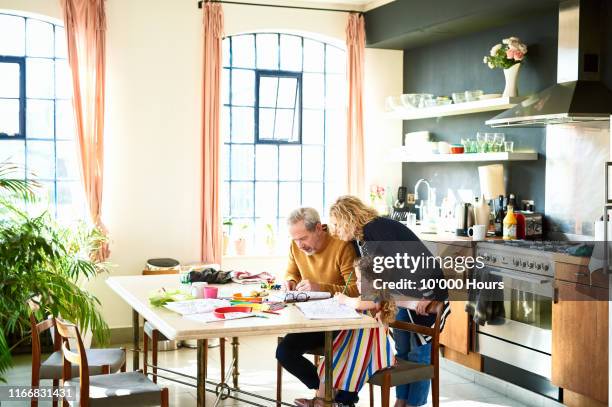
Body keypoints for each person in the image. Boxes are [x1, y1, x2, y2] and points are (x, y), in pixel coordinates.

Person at [329, 195, 450, 407]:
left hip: (427, 292)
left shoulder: (377, 230)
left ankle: (414, 404)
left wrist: (428, 295)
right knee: (402, 352)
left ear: (348, 218)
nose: (336, 231)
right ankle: (401, 401)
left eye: (337, 225)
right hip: (406, 297)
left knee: (419, 355)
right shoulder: (360, 240)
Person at [275, 207, 359, 405]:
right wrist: (290, 282)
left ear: (319, 229)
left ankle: (327, 399)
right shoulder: (295, 246)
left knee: (338, 355)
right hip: (312, 317)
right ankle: (333, 397)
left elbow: (356, 290)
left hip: (342, 319)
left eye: (303, 238)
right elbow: (291, 272)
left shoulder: (342, 245)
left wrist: (321, 287)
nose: (300, 245)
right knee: (284, 352)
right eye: (295, 239)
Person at [294, 256, 396, 407]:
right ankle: (322, 400)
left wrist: (345, 299)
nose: (357, 283)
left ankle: (338, 402)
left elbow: (360, 303)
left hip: (370, 351)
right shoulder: (366, 297)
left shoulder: (377, 297)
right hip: (354, 345)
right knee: (328, 363)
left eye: (361, 280)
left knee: (348, 368)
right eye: (357, 279)